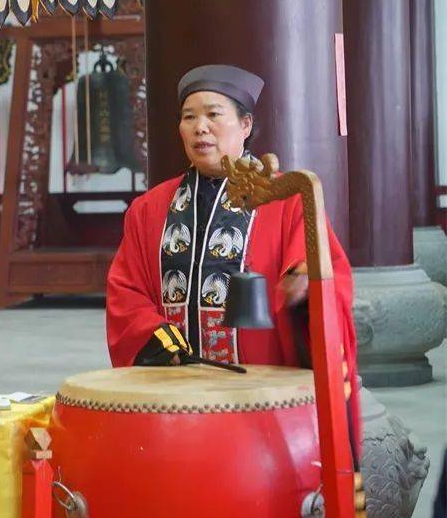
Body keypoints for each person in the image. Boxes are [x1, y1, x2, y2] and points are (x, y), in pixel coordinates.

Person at [105, 64, 358, 396]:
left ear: (245, 124)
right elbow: (126, 292)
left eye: (213, 114)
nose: (200, 128)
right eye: (189, 117)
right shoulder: (149, 209)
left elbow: (330, 275)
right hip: (175, 390)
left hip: (264, 392)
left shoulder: (289, 199)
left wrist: (307, 284)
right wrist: (155, 336)